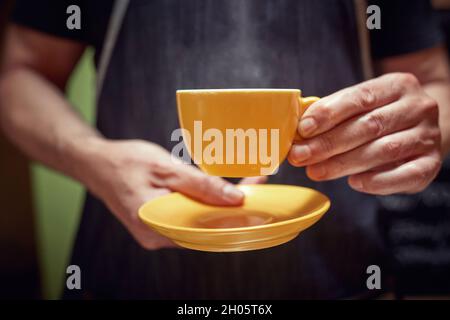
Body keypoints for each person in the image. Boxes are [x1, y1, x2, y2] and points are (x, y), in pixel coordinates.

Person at [0, 0, 449, 299]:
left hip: (341, 273)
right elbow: (20, 74)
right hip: (127, 273)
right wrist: (88, 156)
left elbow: (433, 82)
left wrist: (426, 126)